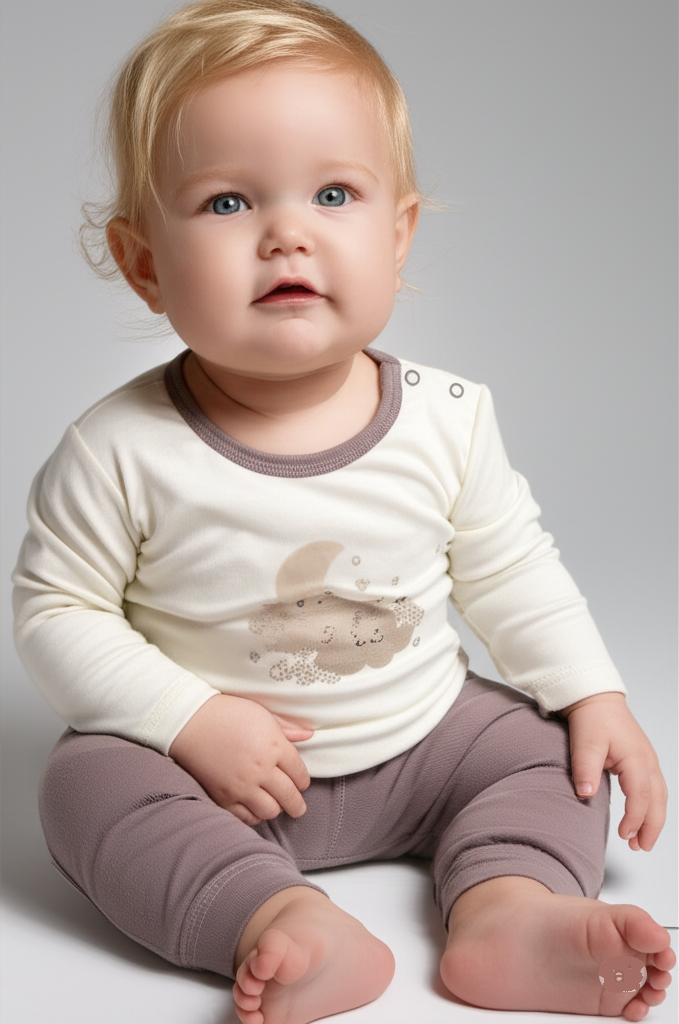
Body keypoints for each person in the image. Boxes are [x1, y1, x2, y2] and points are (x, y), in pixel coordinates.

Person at [12, 2, 673, 1022]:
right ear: (145, 264)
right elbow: (57, 612)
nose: (287, 233)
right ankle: (272, 916)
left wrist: (593, 692)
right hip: (216, 776)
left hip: (425, 743)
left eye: (332, 193)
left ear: (396, 236)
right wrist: (188, 720)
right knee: (85, 786)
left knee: (547, 750)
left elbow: (509, 570)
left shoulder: (448, 418)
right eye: (227, 201)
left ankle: (508, 908)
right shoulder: (120, 448)